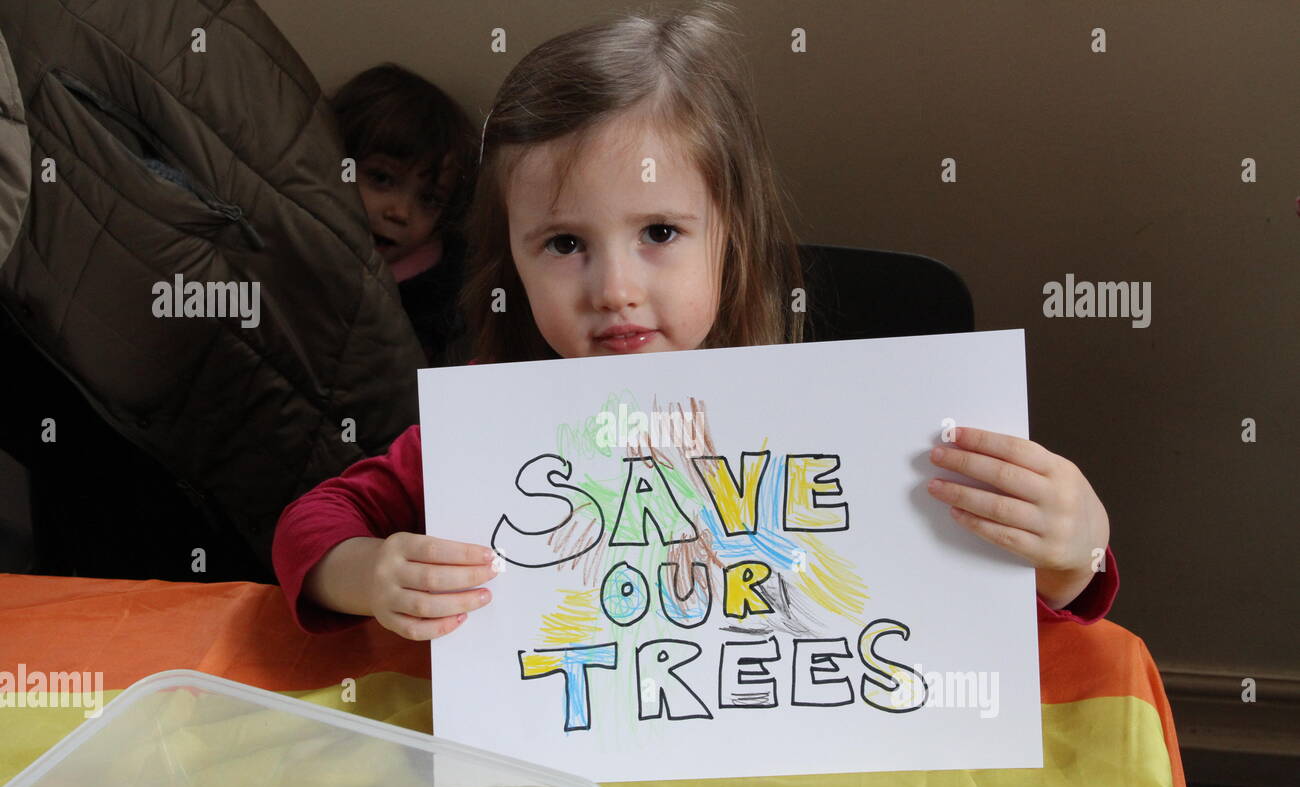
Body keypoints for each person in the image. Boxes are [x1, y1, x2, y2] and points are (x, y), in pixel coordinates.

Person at [273, 5, 1116, 640]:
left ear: (731, 237)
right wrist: (369, 571)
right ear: (510, 262)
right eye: (564, 243)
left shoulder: (835, 422)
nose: (615, 287)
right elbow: (314, 521)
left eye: (660, 234)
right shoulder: (494, 423)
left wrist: (1071, 553)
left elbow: (1003, 606)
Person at [332, 64, 477, 366]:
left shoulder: (444, 298)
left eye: (429, 199)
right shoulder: (293, 241)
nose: (400, 212)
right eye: (382, 179)